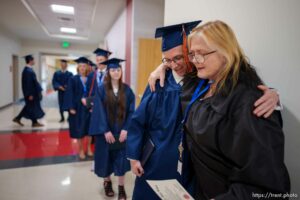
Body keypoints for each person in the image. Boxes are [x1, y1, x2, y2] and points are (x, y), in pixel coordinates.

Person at [127, 21, 282, 200]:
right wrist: (134, 155)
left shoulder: (200, 82)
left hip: (191, 165)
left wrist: (273, 94)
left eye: (179, 57)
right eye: (167, 60)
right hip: (158, 158)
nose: (175, 64)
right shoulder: (159, 82)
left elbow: (241, 85)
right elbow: (138, 121)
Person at [185, 20, 290, 199]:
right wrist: (161, 68)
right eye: (192, 54)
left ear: (226, 52)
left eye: (201, 54)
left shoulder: (250, 103)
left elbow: (266, 187)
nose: (195, 61)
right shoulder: (205, 85)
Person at [89, 58, 135, 200]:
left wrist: (126, 129)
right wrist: (105, 130)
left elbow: (132, 111)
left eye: (118, 70)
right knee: (106, 159)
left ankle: (121, 188)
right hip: (106, 133)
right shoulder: (102, 89)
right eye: (113, 70)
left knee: (121, 160)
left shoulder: (127, 90)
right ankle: (107, 182)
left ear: (121, 71)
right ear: (108, 72)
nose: (116, 72)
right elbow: (98, 111)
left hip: (121, 132)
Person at [63, 57, 93, 160]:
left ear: (87, 67)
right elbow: (69, 93)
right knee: (80, 130)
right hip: (78, 108)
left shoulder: (91, 78)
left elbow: (94, 93)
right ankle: (80, 150)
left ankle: (89, 147)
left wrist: (92, 105)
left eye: (84, 66)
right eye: (80, 66)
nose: (82, 68)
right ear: (77, 67)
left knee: (89, 130)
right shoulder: (73, 79)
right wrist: (71, 107)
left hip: (89, 107)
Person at [13, 55, 45, 127]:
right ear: (30, 60)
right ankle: (33, 122)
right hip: (31, 93)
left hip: (33, 92)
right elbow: (28, 84)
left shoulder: (29, 69)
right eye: (33, 60)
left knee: (30, 106)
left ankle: (20, 118)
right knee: (30, 107)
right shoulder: (27, 71)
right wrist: (30, 94)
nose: (34, 61)